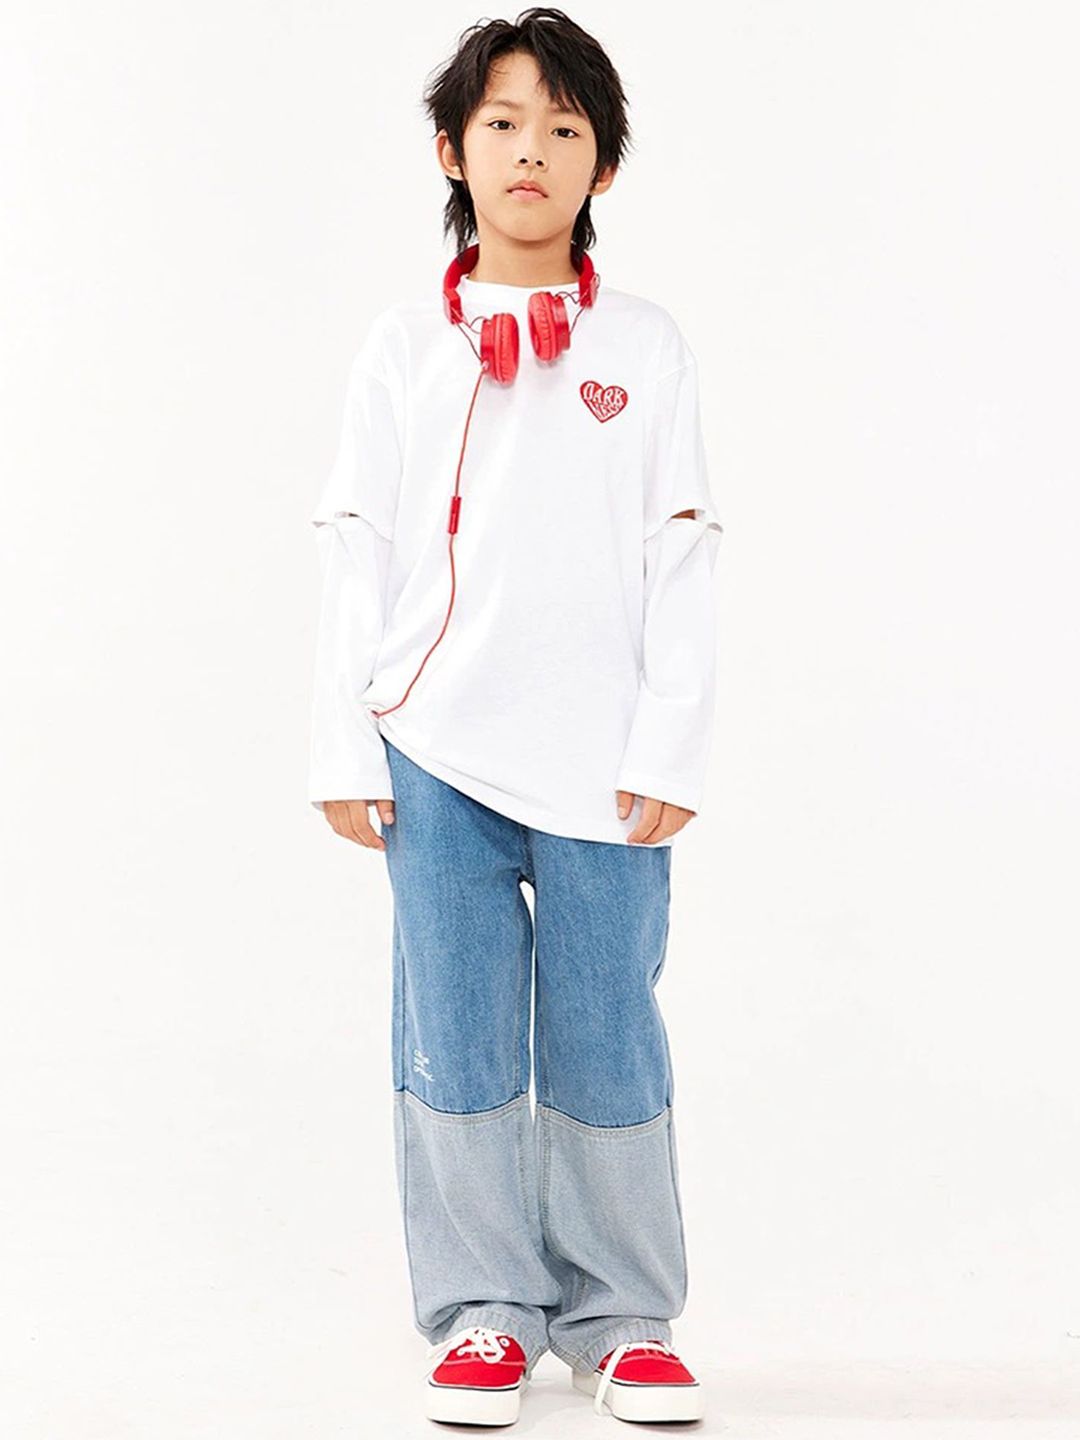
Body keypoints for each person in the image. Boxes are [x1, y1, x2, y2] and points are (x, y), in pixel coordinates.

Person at [307, 7, 722, 1426]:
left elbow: (683, 549)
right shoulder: (398, 348)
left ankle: (625, 1315)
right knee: (457, 1029)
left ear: (604, 163)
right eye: (502, 122)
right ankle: (483, 1309)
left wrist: (673, 739)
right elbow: (355, 544)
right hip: (433, 749)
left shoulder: (646, 346)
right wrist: (343, 738)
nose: (530, 149)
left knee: (609, 1029)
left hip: (605, 762)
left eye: (564, 126)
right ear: (452, 150)